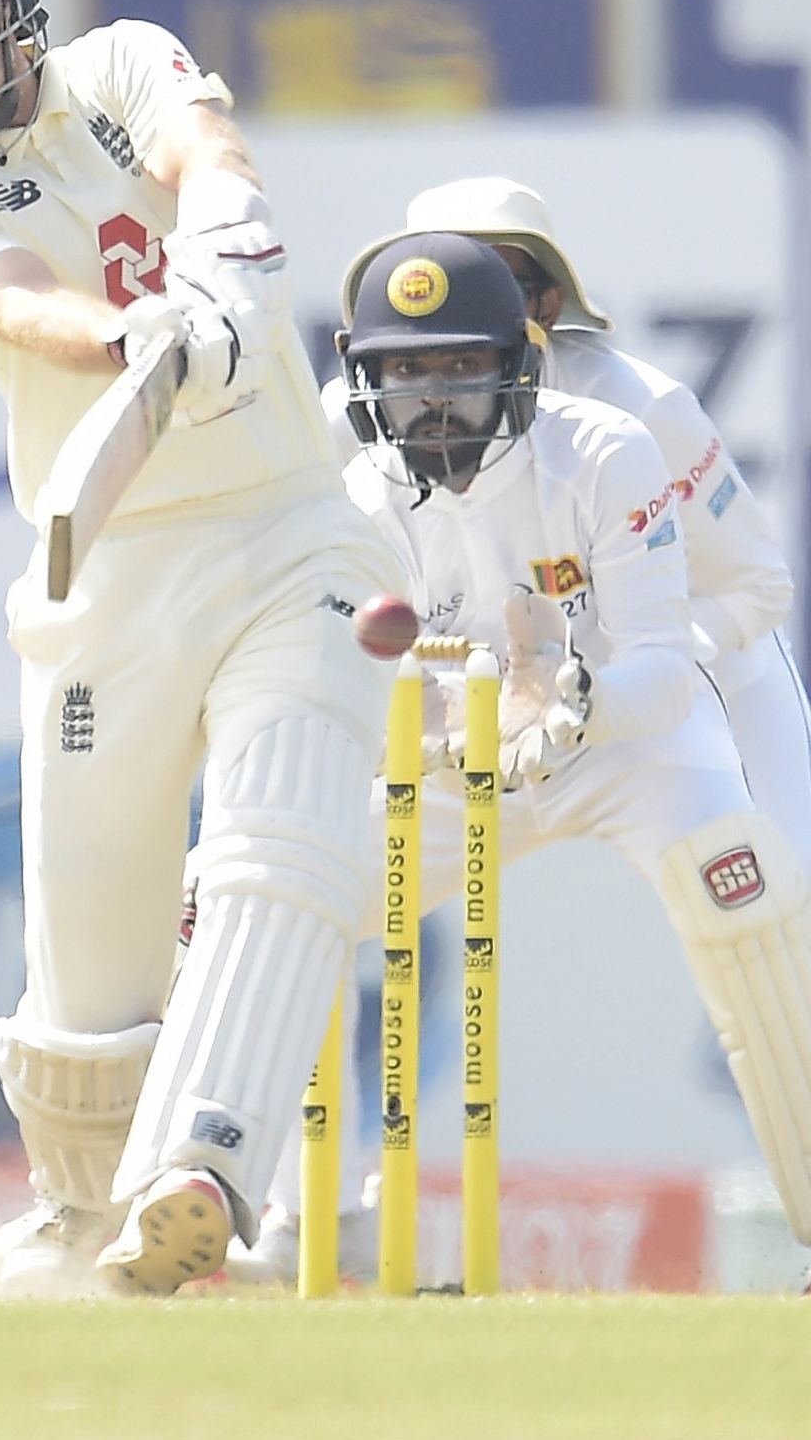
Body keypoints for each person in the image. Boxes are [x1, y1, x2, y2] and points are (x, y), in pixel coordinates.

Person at [0, 0, 397, 1297]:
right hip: (111, 569)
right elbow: (18, 303)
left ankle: (209, 1176)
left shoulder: (122, 63)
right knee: (86, 970)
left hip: (287, 528)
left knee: (273, 831)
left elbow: (204, 148)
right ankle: (89, 1222)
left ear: (11, 5)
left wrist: (231, 238)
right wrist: (132, 331)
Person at [232, 228, 811, 1285]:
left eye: (460, 365)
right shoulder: (339, 474)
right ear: (364, 378)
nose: (434, 398)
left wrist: (572, 703)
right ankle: (297, 1223)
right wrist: (444, 732)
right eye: (405, 373)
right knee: (275, 900)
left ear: (520, 362)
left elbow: (661, 671)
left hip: (620, 740)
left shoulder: (606, 443)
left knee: (743, 896)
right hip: (448, 756)